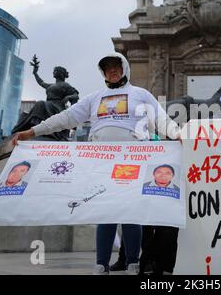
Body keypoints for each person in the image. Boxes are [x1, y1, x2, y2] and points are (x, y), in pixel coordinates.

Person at [12, 52, 181, 275]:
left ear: (125, 68)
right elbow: (66, 117)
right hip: (100, 160)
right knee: (105, 210)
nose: (112, 70)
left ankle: (133, 262)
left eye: (116, 66)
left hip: (132, 159)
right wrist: (32, 131)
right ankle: (101, 263)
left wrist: (178, 134)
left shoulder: (141, 94)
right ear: (103, 72)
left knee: (130, 210)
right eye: (107, 67)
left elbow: (160, 119)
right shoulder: (94, 98)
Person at [11, 55, 79, 141]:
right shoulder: (51, 85)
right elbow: (41, 82)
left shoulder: (65, 85)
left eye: (56, 71)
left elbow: (76, 95)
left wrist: (68, 97)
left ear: (61, 74)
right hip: (48, 106)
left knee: (40, 103)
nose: (54, 72)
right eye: (54, 71)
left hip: (57, 107)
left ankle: (37, 127)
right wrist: (35, 73)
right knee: (24, 114)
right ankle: (22, 130)